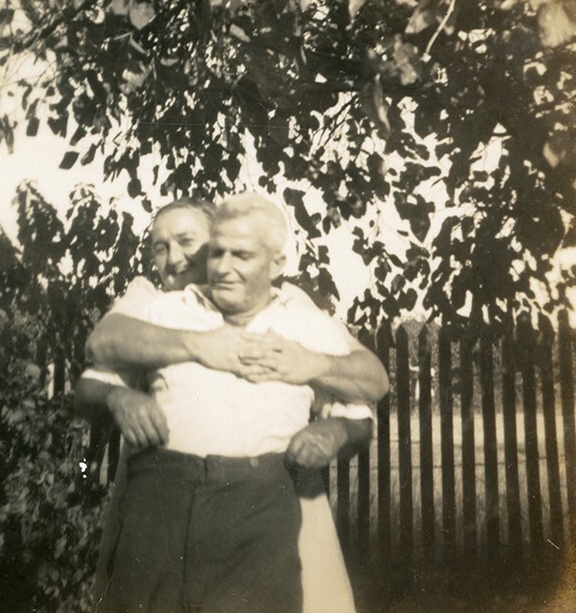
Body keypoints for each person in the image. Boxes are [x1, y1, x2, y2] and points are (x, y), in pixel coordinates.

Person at [75, 194, 387, 613]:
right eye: (217, 253)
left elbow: (369, 390)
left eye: (239, 254)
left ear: (276, 264)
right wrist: (121, 394)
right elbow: (98, 359)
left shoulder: (302, 317)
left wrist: (320, 390)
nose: (221, 267)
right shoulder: (161, 309)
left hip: (259, 503)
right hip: (160, 500)